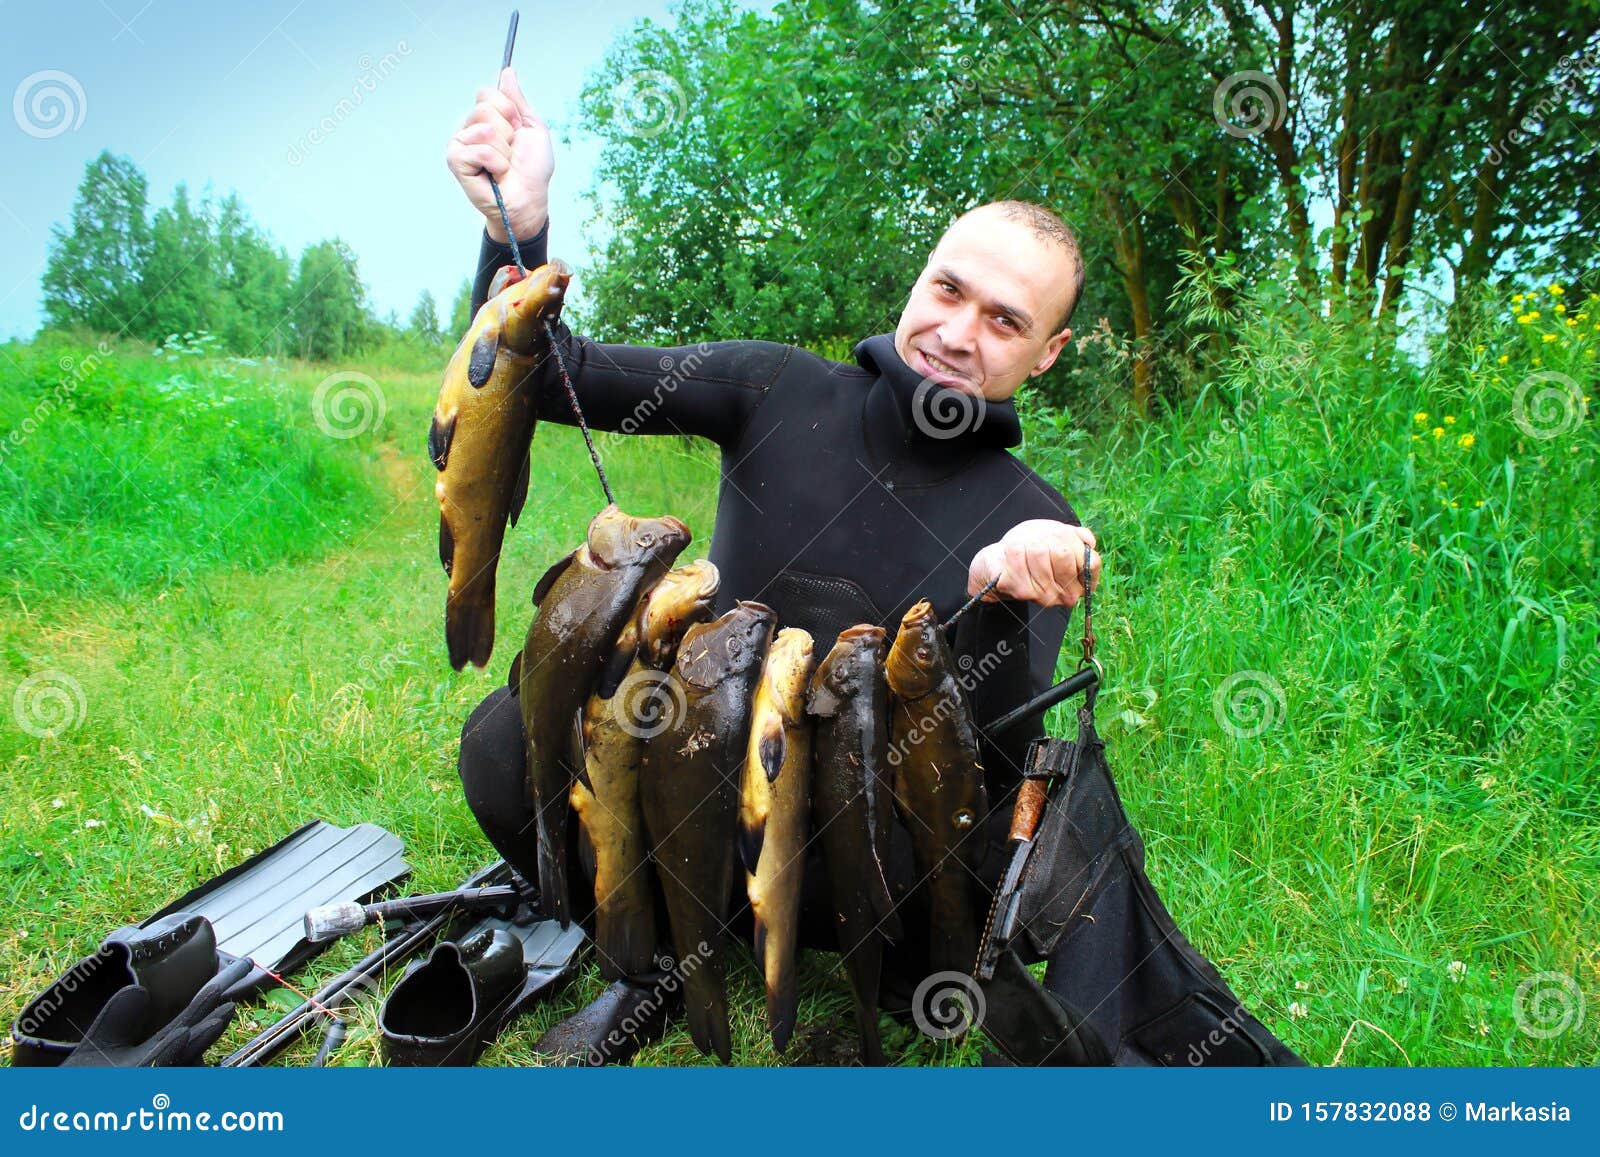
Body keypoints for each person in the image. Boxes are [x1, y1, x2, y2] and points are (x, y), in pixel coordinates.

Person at [446, 68, 1103, 1064]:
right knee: (503, 744)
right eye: (949, 289)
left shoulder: (1033, 520)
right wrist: (518, 230)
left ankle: (805, 976)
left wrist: (1004, 593)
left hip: (854, 848)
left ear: (1047, 352)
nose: (958, 334)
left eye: (1004, 320)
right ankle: (655, 960)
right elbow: (544, 375)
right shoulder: (774, 386)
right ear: (919, 277)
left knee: (940, 928)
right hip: (690, 776)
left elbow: (994, 766)